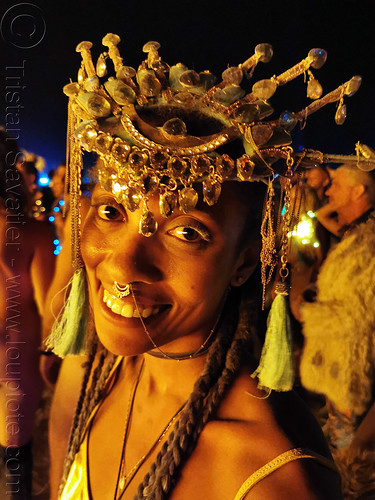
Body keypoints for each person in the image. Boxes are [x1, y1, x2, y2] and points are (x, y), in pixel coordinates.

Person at [46, 35, 363, 499]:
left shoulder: (273, 476)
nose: (123, 263)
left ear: (244, 260)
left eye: (187, 233)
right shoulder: (91, 369)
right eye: (112, 211)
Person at [300, 162, 375, 497]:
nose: (328, 190)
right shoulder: (359, 232)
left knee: (348, 464)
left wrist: (306, 310)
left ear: (359, 191)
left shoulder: (368, 245)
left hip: (352, 376)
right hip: (340, 371)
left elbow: (358, 318)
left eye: (337, 183)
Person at [0, 129, 56, 498]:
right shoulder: (32, 233)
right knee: (14, 463)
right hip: (15, 363)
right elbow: (49, 305)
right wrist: (51, 358)